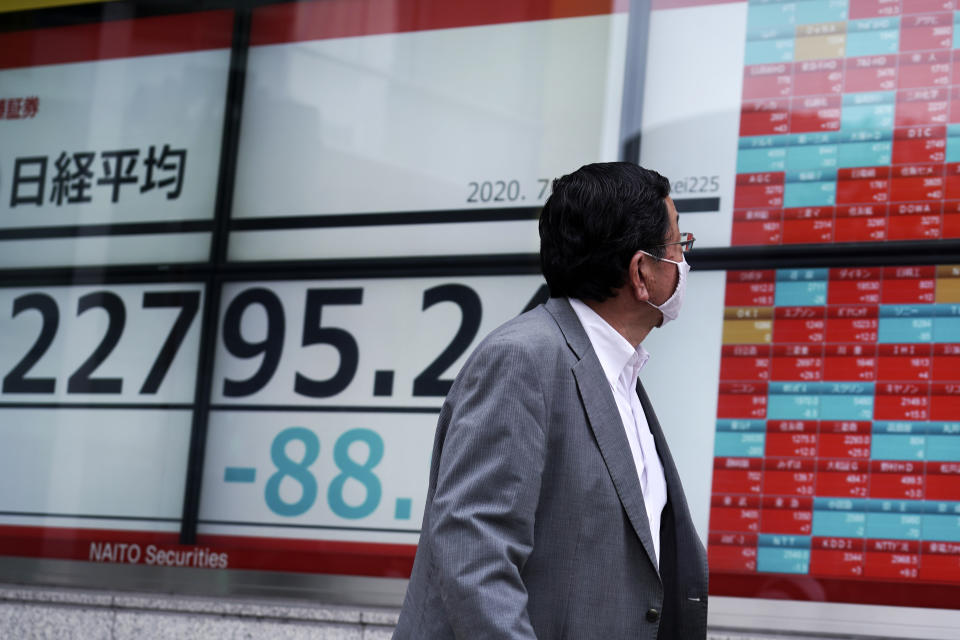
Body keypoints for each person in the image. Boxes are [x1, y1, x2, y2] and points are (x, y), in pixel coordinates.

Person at [393, 162, 708, 639]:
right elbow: (473, 553)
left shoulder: (617, 372)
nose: (683, 262)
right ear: (640, 271)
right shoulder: (522, 360)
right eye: (677, 245)